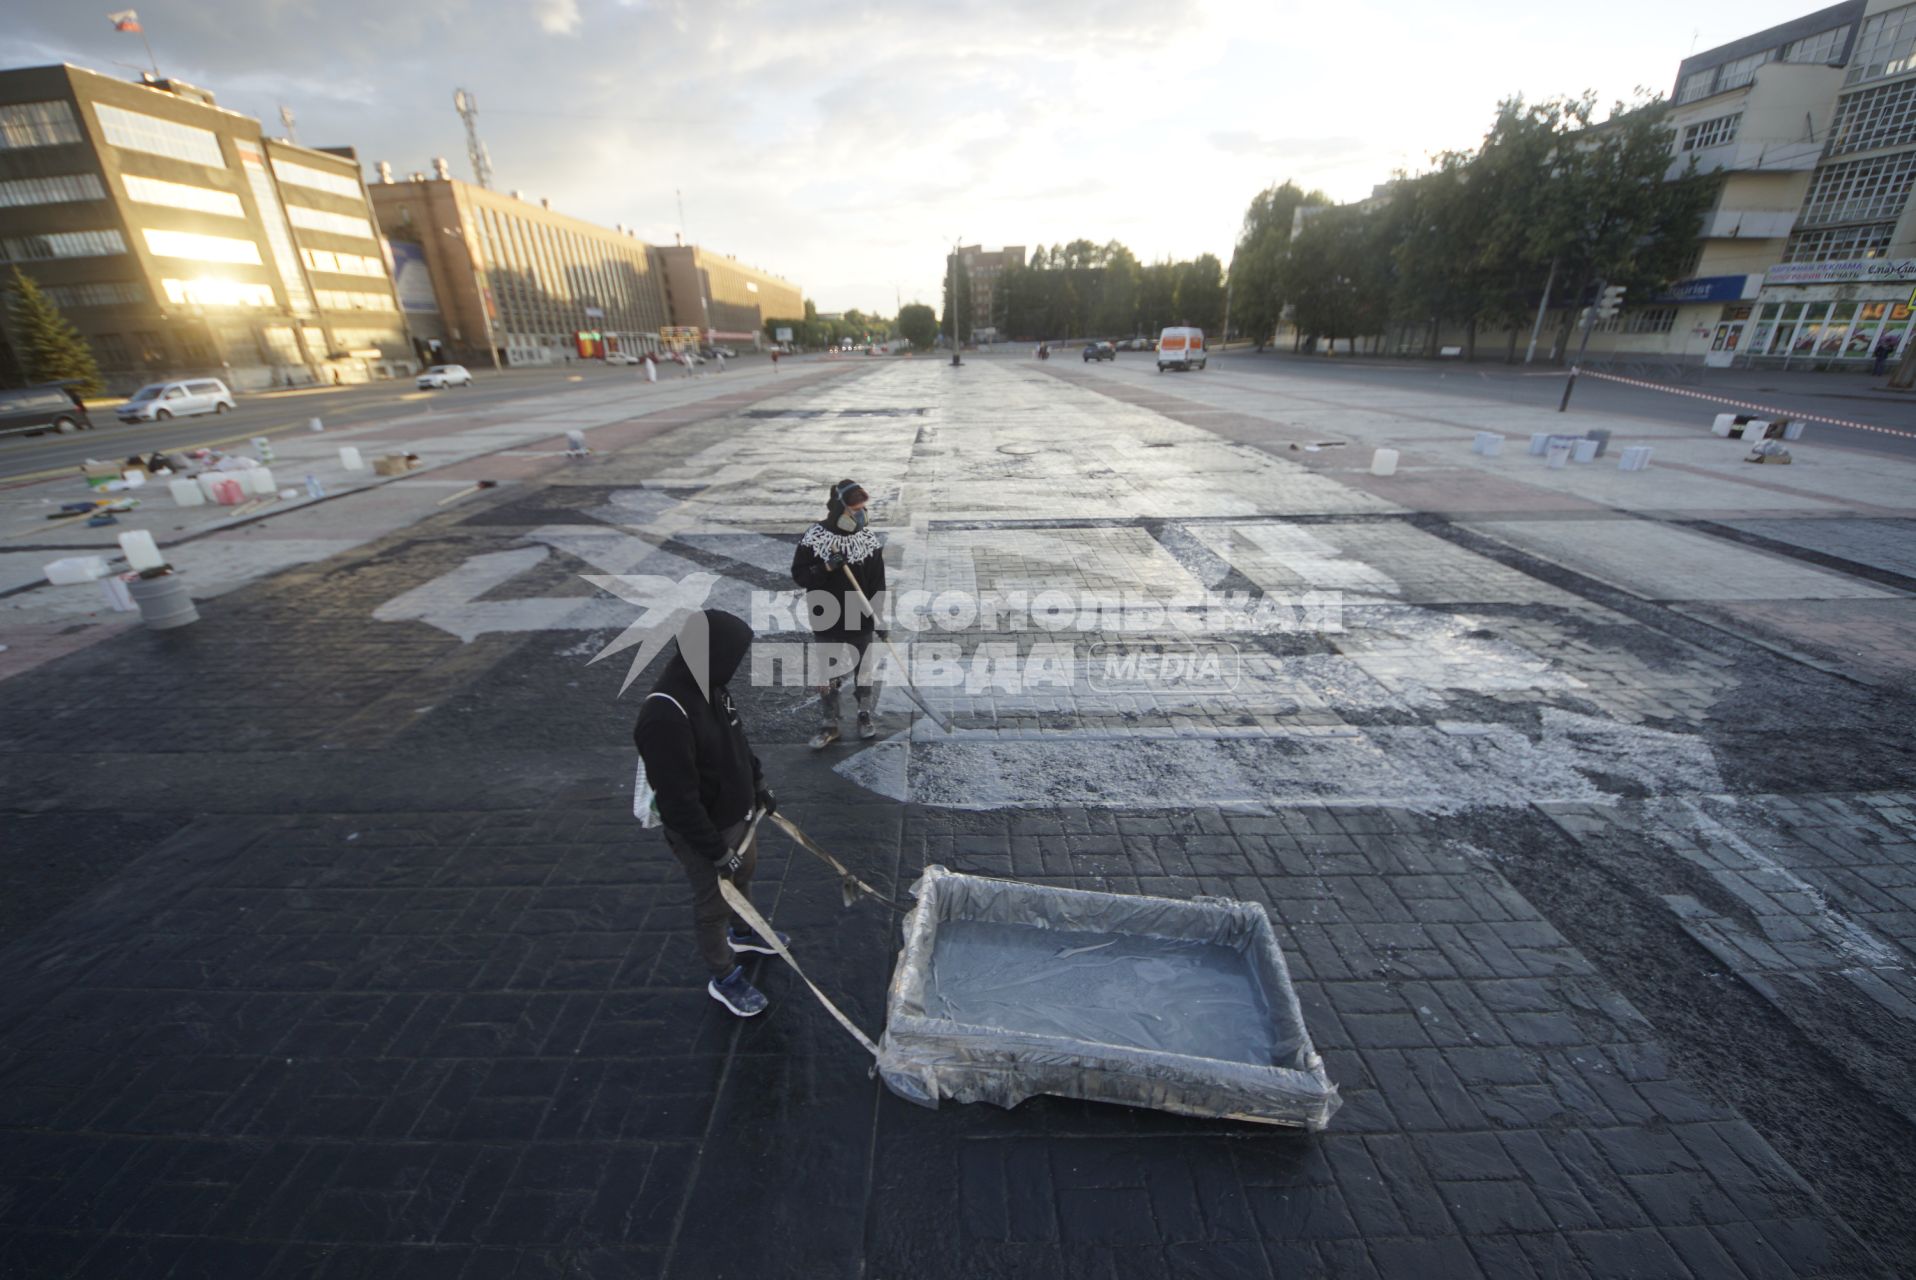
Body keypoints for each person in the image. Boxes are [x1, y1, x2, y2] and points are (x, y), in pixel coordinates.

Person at [634, 609, 782, 1016]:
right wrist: (715, 850)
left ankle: (745, 931)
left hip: (738, 815)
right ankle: (724, 975)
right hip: (706, 832)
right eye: (733, 656)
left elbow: (737, 741)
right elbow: (677, 802)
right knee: (713, 902)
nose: (737, 666)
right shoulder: (664, 715)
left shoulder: (712, 685)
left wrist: (758, 784)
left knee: (744, 875)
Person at [791, 479, 886, 749]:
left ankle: (864, 715)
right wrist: (826, 568)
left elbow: (878, 582)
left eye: (862, 509)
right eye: (853, 510)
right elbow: (799, 575)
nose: (859, 515)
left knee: (863, 671)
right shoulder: (815, 537)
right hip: (826, 616)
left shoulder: (867, 538)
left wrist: (877, 617)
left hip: (861, 617)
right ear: (837, 508)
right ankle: (829, 724)